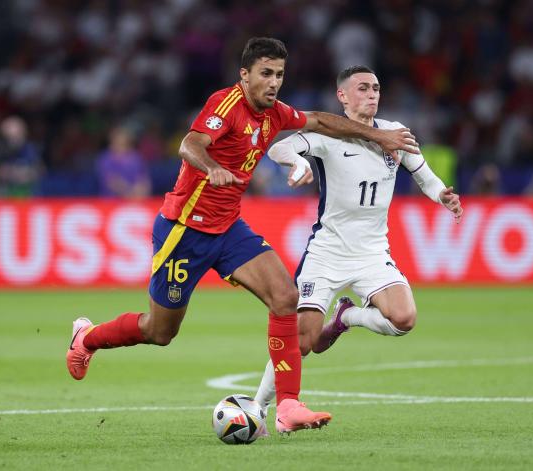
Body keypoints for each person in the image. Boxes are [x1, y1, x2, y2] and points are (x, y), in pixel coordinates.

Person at [66, 38, 420, 434]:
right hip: (184, 231)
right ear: (245, 75)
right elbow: (190, 144)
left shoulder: (274, 114)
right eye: (266, 74)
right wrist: (212, 167)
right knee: (160, 331)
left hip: (229, 228)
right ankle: (88, 337)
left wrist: (381, 137)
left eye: (280, 75)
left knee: (286, 297)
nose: (273, 83)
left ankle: (287, 406)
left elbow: (320, 120)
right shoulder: (226, 105)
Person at [253, 65, 463, 411]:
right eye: (363, 89)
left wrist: (442, 194)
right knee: (304, 341)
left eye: (376, 89)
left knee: (404, 319)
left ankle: (347, 317)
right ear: (343, 96)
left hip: (371, 252)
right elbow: (278, 150)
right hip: (328, 252)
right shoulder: (327, 134)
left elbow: (424, 175)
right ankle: (258, 407)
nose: (372, 95)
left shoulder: (394, 133)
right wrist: (298, 164)